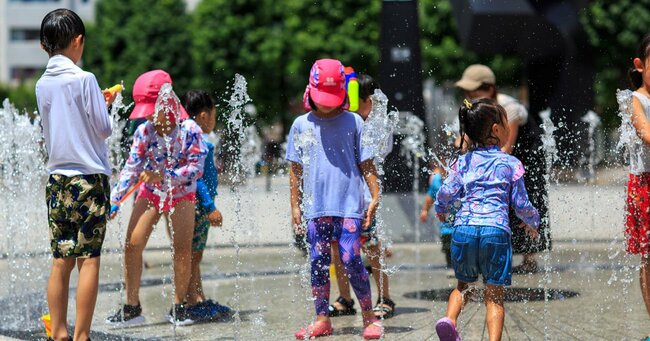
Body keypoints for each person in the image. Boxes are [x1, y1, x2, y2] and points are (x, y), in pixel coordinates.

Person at [287, 59, 384, 339]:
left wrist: (375, 194)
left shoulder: (353, 122)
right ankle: (322, 318)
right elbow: (295, 170)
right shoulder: (300, 125)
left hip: (350, 206)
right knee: (318, 260)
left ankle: (368, 316)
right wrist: (294, 205)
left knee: (350, 256)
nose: (328, 104)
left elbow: (366, 163)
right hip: (316, 208)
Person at [36, 9, 115, 341]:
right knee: (89, 259)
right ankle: (83, 336)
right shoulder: (85, 79)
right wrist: (104, 103)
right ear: (78, 41)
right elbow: (103, 129)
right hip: (87, 180)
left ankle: (60, 334)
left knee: (60, 260)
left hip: (57, 181)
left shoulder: (42, 84)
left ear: (44, 47)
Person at [106, 70, 207, 326]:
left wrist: (164, 174)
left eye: (152, 108)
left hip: (182, 194)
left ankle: (178, 304)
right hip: (151, 193)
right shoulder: (144, 132)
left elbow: (196, 168)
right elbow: (132, 167)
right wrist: (115, 198)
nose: (149, 114)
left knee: (182, 249)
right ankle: (132, 306)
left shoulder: (189, 129)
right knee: (132, 244)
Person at [434, 98, 539, 341]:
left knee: (463, 286)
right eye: (505, 124)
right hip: (495, 232)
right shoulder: (509, 163)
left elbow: (446, 192)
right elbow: (521, 204)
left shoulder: (463, 162)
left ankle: (449, 319)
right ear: (495, 130)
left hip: (464, 230)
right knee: (494, 297)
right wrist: (533, 221)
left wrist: (441, 208)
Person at [455, 64, 549, 274]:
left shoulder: (509, 107)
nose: (469, 95)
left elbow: (507, 146)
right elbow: (462, 140)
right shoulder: (473, 109)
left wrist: (483, 166)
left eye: (473, 90)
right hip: (498, 159)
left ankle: (529, 258)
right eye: (467, 91)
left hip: (524, 159)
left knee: (525, 199)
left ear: (489, 88)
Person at [328, 74, 396, 320]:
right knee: (337, 248)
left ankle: (384, 297)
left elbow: (376, 155)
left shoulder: (378, 124)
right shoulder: (346, 121)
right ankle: (345, 298)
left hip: (364, 199)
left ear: (368, 100)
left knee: (371, 247)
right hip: (339, 197)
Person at [181, 90, 232, 320]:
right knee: (194, 255)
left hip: (195, 204)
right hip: (200, 206)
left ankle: (198, 296)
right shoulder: (199, 141)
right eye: (214, 115)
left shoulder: (190, 138)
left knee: (194, 254)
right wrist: (210, 206)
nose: (215, 119)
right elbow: (197, 177)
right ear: (203, 116)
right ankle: (191, 301)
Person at [621, 33, 650, 341]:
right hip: (645, 185)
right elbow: (645, 133)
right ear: (640, 65)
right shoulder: (636, 100)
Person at [420, 165, 455, 271]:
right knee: (447, 243)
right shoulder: (436, 180)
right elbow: (431, 194)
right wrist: (425, 210)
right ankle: (450, 266)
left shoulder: (459, 177)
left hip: (461, 219)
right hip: (446, 222)